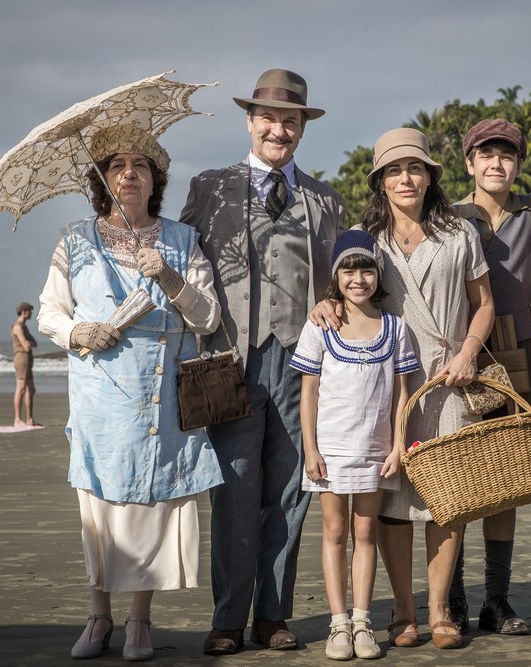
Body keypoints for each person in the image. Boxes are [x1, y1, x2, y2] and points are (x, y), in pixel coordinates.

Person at [37, 125, 225, 662]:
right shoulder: (74, 240)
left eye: (140, 165)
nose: (129, 174)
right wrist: (80, 331)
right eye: (117, 165)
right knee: (100, 507)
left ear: (155, 180)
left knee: (153, 505)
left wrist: (168, 277)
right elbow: (50, 312)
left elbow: (208, 318)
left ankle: (139, 620)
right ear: (102, 180)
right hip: (101, 397)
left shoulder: (182, 240)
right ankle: (98, 617)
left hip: (163, 394)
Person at [178, 68, 345, 655]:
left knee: (292, 489)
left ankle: (273, 615)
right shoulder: (209, 188)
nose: (279, 129)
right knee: (234, 489)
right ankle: (228, 618)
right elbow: (188, 264)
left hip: (304, 365)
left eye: (290, 121)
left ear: (302, 128)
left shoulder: (325, 199)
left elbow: (339, 280)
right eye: (269, 118)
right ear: (250, 122)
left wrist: (330, 303)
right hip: (231, 361)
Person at [313, 127, 494, 650]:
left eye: (415, 168)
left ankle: (439, 610)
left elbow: (483, 302)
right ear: (380, 181)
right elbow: (342, 291)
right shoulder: (365, 237)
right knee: (391, 501)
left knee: (446, 497)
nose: (406, 178)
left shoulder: (459, 233)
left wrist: (468, 352)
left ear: (430, 176)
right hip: (382, 385)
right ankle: (402, 609)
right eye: (393, 170)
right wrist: (324, 304)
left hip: (448, 377)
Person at [448, 118, 531, 635]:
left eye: (507, 156)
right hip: (455, 350)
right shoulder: (447, 214)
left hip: (516, 347)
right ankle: (451, 597)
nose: (496, 164)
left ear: (518, 164)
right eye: (486, 155)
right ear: (469, 163)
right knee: (455, 471)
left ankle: (496, 600)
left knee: (506, 474)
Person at [292, 230, 420, 660]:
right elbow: (308, 392)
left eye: (366, 270)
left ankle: (363, 622)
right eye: (348, 271)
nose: (358, 279)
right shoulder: (320, 326)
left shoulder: (395, 327)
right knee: (334, 533)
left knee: (365, 533)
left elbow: (402, 392)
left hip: (376, 450)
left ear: (378, 275)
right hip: (330, 451)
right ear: (336, 276)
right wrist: (310, 449)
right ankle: (338, 624)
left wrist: (398, 446)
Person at [11, 301, 40, 427]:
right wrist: (29, 343)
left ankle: (29, 419)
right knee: (21, 388)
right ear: (24, 312)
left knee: (31, 389)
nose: (31, 313)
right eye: (30, 311)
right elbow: (26, 346)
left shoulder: (24, 327)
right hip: (21, 358)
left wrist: (30, 343)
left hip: (28, 358)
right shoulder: (17, 326)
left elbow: (34, 343)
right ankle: (17, 419)